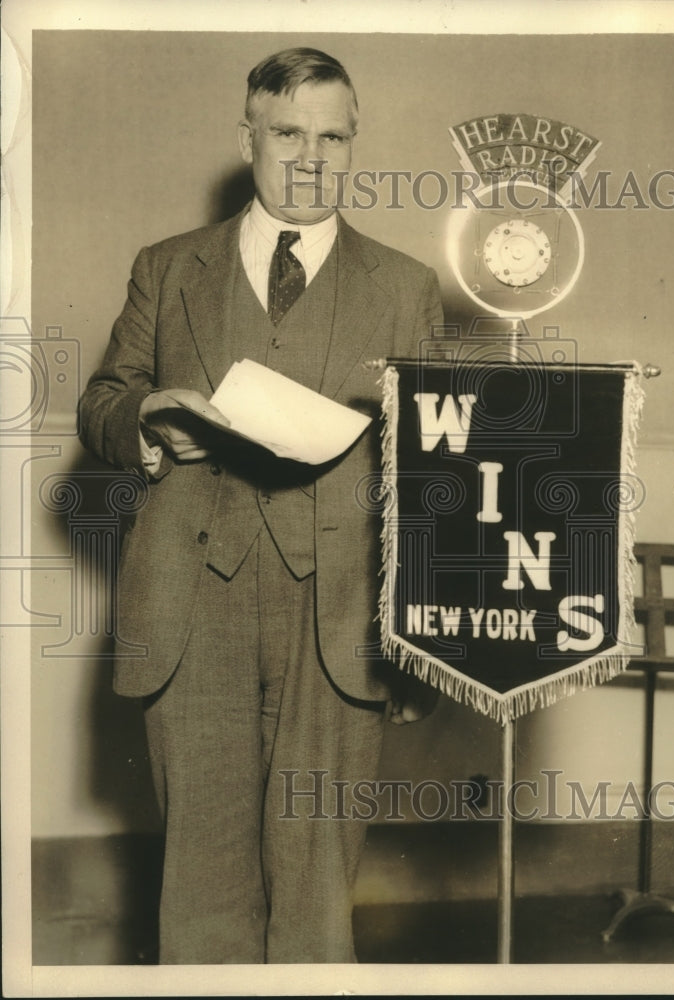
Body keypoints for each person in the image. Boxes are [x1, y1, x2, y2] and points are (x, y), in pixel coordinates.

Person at [78, 47, 442, 964]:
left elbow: (428, 482)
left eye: (331, 136)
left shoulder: (404, 287)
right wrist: (148, 422)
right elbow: (101, 406)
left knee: (318, 880)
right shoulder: (166, 269)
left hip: (341, 615)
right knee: (200, 874)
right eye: (286, 133)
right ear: (246, 138)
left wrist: (418, 646)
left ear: (354, 145)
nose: (309, 156)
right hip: (192, 603)